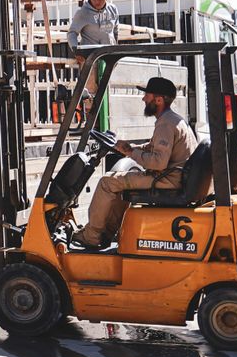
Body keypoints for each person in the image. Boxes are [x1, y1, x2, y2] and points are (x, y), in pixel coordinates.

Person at [75, 76, 198, 250]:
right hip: (174, 176)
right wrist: (130, 147)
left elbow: (158, 162)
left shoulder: (166, 124)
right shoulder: (171, 119)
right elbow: (156, 148)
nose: (143, 99)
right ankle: (107, 234)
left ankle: (91, 236)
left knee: (107, 182)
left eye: (146, 95)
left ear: (159, 99)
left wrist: (132, 153)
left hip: (167, 179)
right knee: (118, 184)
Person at [67, 0, 119, 97]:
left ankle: (105, 113)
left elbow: (115, 30)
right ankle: (90, 112)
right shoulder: (82, 12)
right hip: (90, 57)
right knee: (90, 92)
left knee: (107, 91)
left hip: (108, 56)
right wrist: (76, 51)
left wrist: (116, 49)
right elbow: (72, 33)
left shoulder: (113, 9)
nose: (98, 1)